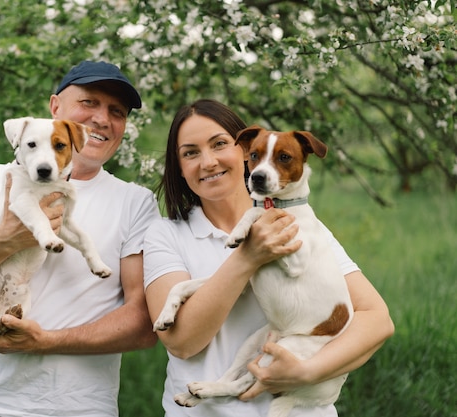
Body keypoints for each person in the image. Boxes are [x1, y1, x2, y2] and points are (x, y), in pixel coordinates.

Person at [0, 61, 160, 417]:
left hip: (81, 410)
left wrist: (45, 342)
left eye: (116, 111)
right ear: (55, 107)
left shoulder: (136, 203)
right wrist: (6, 238)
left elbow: (143, 325)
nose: (103, 118)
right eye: (89, 102)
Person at [143, 99, 394, 417]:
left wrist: (306, 373)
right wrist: (249, 257)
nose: (208, 162)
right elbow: (180, 342)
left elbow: (377, 320)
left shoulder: (301, 226)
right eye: (190, 152)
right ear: (178, 166)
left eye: (219, 144)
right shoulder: (165, 235)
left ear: (239, 149)